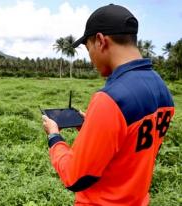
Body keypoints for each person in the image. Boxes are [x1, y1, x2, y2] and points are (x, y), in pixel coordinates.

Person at [42, 4, 175, 206]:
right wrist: (94, 126)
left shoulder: (109, 99)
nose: (91, 60)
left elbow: (75, 177)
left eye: (88, 49)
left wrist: (54, 138)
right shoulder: (161, 88)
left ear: (101, 41)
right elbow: (133, 148)